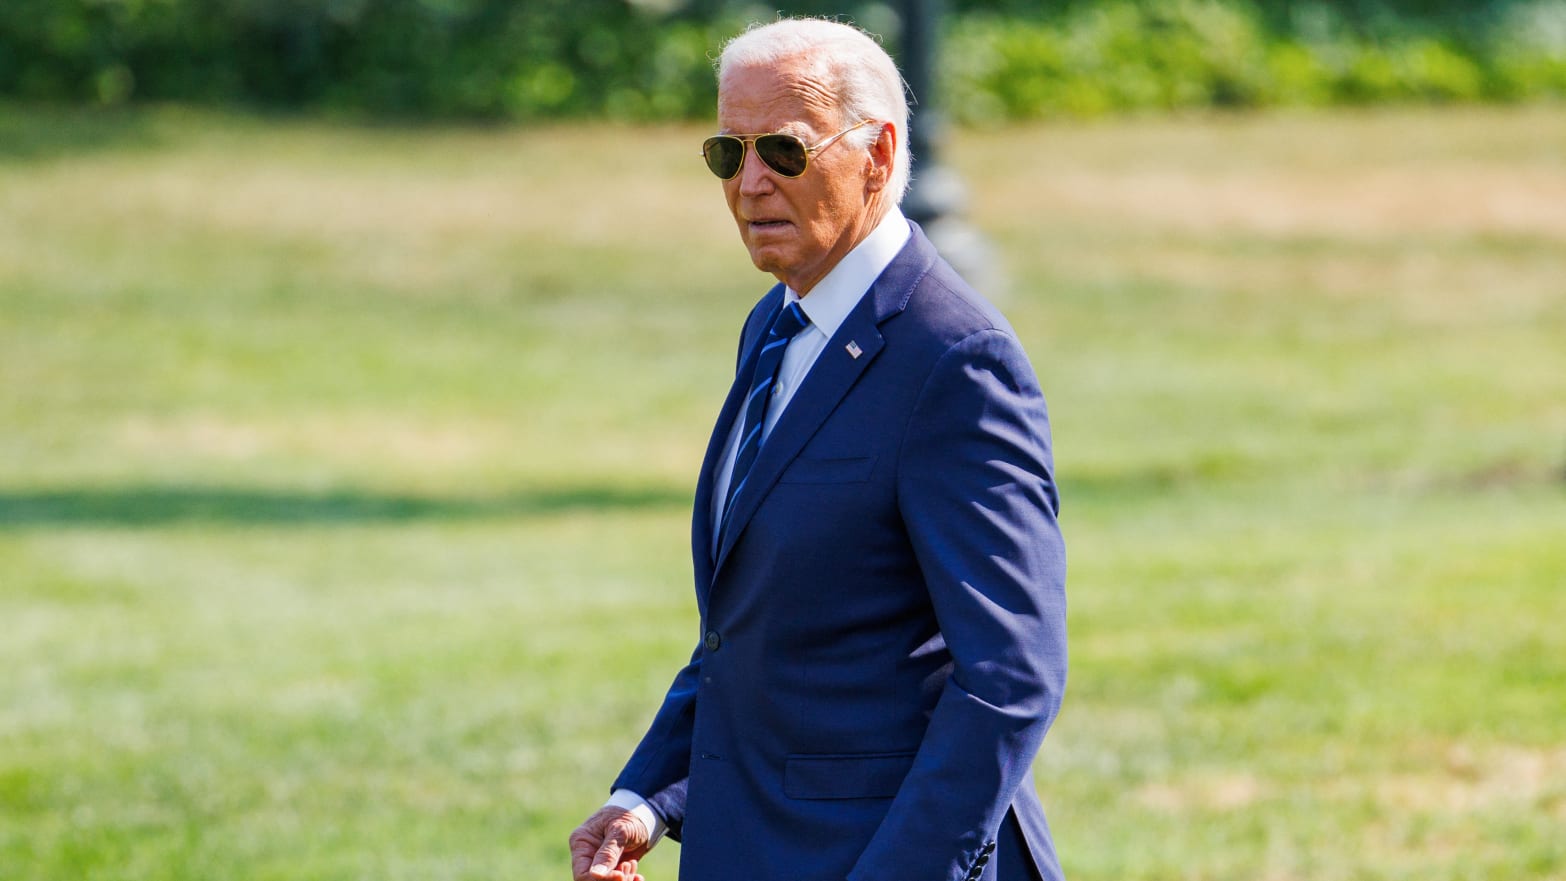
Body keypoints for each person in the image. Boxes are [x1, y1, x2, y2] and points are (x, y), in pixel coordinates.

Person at [569, 17, 1067, 881]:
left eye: (785, 152)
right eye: (729, 154)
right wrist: (644, 796)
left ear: (878, 154)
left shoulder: (955, 359)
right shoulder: (773, 324)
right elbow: (749, 628)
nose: (750, 182)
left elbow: (1011, 675)